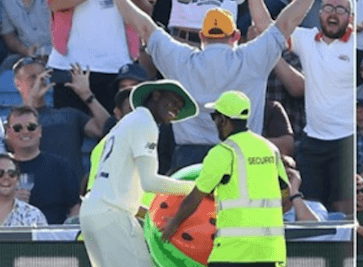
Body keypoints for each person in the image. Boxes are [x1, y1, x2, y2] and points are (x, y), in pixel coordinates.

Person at [160, 90, 289, 267]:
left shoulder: (224, 152)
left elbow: (195, 197)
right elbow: (285, 195)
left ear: (224, 120)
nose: (214, 121)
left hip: (233, 250)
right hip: (266, 249)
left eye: (215, 116)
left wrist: (172, 225)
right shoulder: (270, 148)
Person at [114, 0, 315, 171]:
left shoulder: (181, 60)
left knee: (193, 217)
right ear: (235, 36)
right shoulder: (252, 58)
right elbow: (287, 23)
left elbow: (144, 27)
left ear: (202, 37)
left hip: (189, 160)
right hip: (240, 155)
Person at [79, 80, 198, 267]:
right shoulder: (145, 122)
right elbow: (150, 181)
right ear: (154, 96)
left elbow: (127, 184)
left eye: (180, 109)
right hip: (112, 213)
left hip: (96, 212)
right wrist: (199, 189)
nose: (175, 111)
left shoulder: (127, 123)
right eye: (172, 102)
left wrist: (148, 212)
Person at [291, 0, 355, 214]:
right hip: (313, 142)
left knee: (343, 211)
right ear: (319, 13)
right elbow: (266, 28)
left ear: (350, 17)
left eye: (341, 9)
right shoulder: (306, 38)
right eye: (328, 7)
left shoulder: (357, 44)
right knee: (310, 210)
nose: (333, 13)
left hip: (346, 142)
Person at [12, 56, 111, 178]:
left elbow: (108, 128)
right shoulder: (12, 122)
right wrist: (31, 102)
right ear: (17, 84)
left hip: (70, 191)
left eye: (43, 76)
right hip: (31, 190)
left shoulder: (69, 115)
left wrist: (87, 95)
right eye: (33, 77)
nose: (40, 80)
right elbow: (14, 145)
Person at [46, 0, 146, 113]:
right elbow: (54, 4)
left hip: (119, 66)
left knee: (116, 127)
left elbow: (145, 9)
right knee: (72, 127)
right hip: (70, 67)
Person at [4, 105, 81, 224]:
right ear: (8, 132)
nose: (25, 132)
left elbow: (75, 208)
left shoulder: (61, 166)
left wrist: (66, 234)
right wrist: (10, 201)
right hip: (10, 239)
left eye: (31, 127)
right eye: (17, 128)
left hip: (52, 239)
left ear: (39, 131)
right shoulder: (2, 169)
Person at [0, 0, 51, 70]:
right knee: (6, 68)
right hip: (29, 56)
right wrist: (24, 50)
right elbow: (8, 34)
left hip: (59, 52)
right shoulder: (4, 2)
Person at [0, 153, 47, 227]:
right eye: (0, 173)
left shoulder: (33, 215)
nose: (6, 177)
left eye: (11, 173)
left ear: (18, 180)